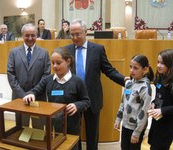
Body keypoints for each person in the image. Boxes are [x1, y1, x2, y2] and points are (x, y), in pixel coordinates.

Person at [65, 19, 127, 150]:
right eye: (72, 34)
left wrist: (124, 80)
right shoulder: (66, 50)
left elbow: (108, 70)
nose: (75, 38)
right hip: (73, 100)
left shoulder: (97, 49)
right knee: (74, 133)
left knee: (92, 134)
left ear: (86, 32)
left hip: (93, 98)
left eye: (78, 34)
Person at [23, 47, 90, 150]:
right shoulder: (48, 80)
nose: (55, 66)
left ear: (68, 61)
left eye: (58, 63)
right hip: (53, 126)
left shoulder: (77, 81)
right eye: (53, 63)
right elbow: (35, 91)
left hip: (71, 126)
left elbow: (86, 101)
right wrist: (30, 94)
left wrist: (77, 105)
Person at [7, 23, 51, 127]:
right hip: (19, 98)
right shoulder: (14, 52)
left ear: (37, 35)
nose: (30, 38)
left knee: (39, 130)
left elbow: (46, 75)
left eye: (33, 35)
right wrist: (24, 95)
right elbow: (11, 74)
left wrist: (33, 93)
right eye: (27, 35)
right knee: (21, 130)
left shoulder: (44, 53)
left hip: (38, 97)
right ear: (22, 36)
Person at [114, 55, 154, 150]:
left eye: (135, 68)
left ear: (144, 70)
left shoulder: (145, 87)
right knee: (124, 147)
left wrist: (137, 132)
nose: (132, 70)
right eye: (130, 67)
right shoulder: (129, 83)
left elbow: (143, 112)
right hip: (125, 125)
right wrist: (118, 118)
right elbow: (123, 102)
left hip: (136, 127)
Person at [148, 49, 173, 150]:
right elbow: (159, 96)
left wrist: (162, 110)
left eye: (162, 63)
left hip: (168, 123)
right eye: (158, 62)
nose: (158, 65)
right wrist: (153, 103)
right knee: (153, 144)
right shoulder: (159, 78)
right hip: (157, 120)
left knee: (160, 146)